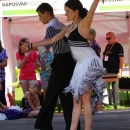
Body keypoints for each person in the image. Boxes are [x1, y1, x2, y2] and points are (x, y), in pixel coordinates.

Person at [20, 0, 105, 130]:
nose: (65, 14)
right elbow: (51, 41)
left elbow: (92, 11)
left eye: (67, 11)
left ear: (76, 11)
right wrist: (30, 46)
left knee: (84, 99)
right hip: (78, 64)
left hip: (87, 62)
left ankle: (85, 129)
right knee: (74, 100)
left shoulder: (81, 24)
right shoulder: (67, 27)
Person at [21, 3, 80, 130]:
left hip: (61, 64)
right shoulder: (62, 26)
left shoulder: (52, 28)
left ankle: (44, 124)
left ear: (46, 13)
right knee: (66, 97)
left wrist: (30, 47)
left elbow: (47, 45)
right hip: (69, 63)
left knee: (51, 96)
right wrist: (32, 48)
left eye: (40, 15)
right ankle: (72, 126)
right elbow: (48, 46)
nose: (39, 18)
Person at [103, 32, 124, 105]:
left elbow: (121, 59)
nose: (108, 40)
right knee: (106, 87)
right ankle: (108, 102)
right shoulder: (107, 46)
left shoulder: (118, 46)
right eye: (106, 39)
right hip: (106, 71)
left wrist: (120, 71)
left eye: (109, 38)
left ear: (114, 37)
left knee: (115, 87)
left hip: (114, 71)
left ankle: (116, 102)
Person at [88, 29, 103, 113]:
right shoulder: (90, 45)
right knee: (92, 89)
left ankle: (99, 108)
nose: (87, 35)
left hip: (95, 70)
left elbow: (95, 59)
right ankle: (95, 108)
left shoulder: (95, 45)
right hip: (91, 70)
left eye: (89, 34)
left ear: (93, 35)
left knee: (97, 89)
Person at [0, 40, 8, 106]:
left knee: (1, 95)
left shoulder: (3, 51)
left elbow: (5, 63)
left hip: (1, 77)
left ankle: (6, 112)